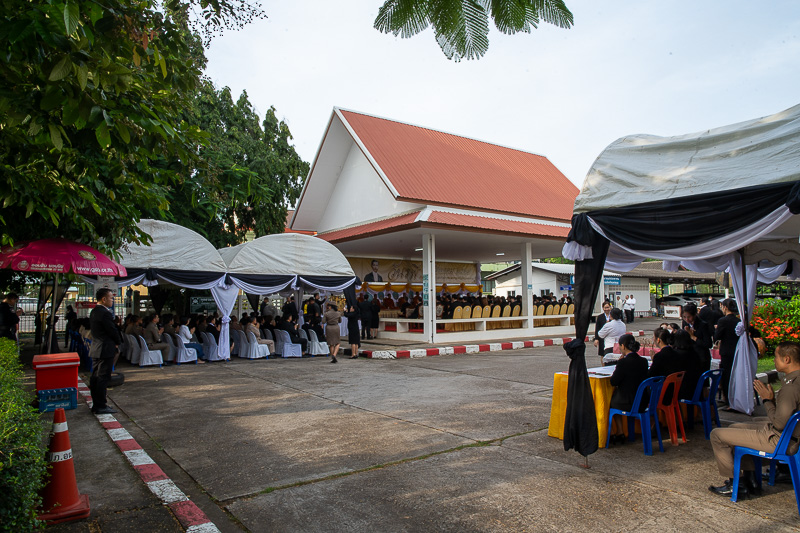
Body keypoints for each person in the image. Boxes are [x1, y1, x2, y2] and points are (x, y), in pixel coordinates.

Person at [709, 341, 800, 498]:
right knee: (738, 427)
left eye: (776, 357)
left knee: (717, 435)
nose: (774, 360)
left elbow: (779, 423)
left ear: (787, 359)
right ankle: (751, 480)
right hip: (790, 435)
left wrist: (767, 400)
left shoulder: (791, 387)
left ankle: (736, 483)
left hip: (781, 440)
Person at [608, 334, 649, 444]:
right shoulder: (643, 361)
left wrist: (618, 365)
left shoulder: (623, 362)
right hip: (643, 402)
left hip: (628, 402)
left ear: (623, 346)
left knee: (611, 402)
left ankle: (618, 431)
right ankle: (621, 431)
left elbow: (613, 381)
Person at [88, 288, 121, 414]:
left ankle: (97, 403)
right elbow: (112, 330)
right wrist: (118, 341)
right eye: (111, 298)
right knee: (103, 378)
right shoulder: (105, 313)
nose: (112, 300)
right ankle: (101, 405)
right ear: (104, 299)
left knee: (96, 377)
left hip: (96, 347)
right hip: (105, 349)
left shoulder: (94, 311)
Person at [714, 298, 741, 407]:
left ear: (725, 307)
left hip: (726, 351)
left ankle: (728, 400)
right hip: (737, 350)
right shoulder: (738, 321)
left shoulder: (723, 321)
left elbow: (717, 336)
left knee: (726, 376)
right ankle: (734, 398)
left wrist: (717, 329)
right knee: (734, 375)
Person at [682, 302, 712, 372]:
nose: (687, 319)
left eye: (689, 317)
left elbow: (708, 344)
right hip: (690, 356)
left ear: (695, 315)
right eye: (684, 317)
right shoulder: (685, 323)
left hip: (702, 357)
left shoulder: (703, 325)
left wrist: (693, 337)